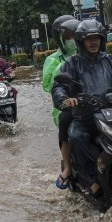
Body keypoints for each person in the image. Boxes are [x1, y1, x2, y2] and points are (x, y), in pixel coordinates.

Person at [52, 20, 112, 196]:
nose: (93, 42)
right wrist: (66, 99)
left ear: (102, 40)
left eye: (97, 38)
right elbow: (58, 87)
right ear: (81, 41)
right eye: (89, 38)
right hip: (86, 117)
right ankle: (93, 178)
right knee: (77, 135)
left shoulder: (111, 60)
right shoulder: (73, 64)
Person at [41, 15, 80, 189]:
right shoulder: (53, 60)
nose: (72, 40)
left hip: (94, 102)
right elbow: (48, 85)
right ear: (61, 39)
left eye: (75, 35)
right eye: (68, 36)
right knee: (66, 120)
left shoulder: (89, 54)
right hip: (66, 106)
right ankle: (68, 167)